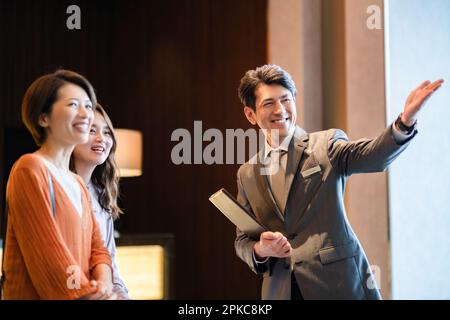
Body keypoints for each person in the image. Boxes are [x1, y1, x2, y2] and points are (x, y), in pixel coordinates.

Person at [234, 64, 444, 300]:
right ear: (250, 114)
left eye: (286, 99)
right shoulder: (247, 173)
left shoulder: (326, 145)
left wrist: (404, 121)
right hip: (280, 291)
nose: (280, 109)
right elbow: (243, 240)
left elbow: (372, 155)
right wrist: (261, 250)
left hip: (337, 284)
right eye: (269, 103)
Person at [2, 70, 116, 300]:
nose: (86, 114)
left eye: (87, 105)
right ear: (43, 118)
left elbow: (99, 252)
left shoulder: (77, 182)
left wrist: (104, 288)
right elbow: (48, 259)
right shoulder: (30, 168)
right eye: (74, 105)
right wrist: (93, 296)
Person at [71, 103, 129, 299]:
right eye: (91, 130)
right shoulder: (59, 190)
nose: (101, 139)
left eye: (107, 132)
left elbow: (111, 264)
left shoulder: (100, 194)